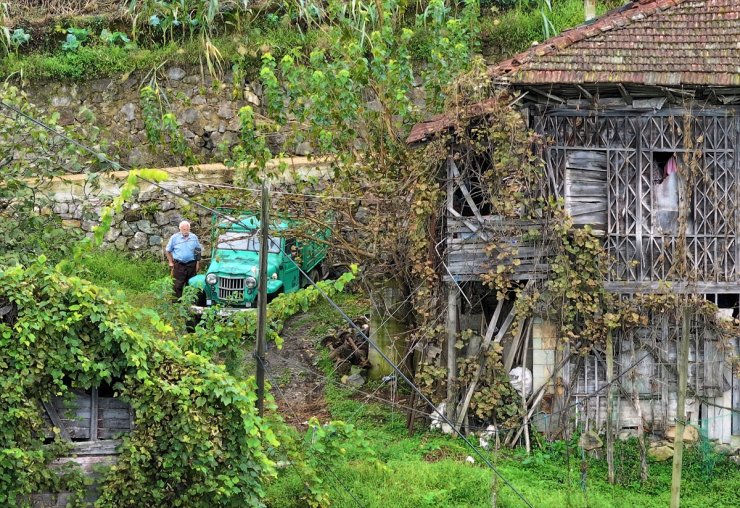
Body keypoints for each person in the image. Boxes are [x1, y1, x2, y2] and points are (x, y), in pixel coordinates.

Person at [165, 220, 202, 299]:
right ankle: (176, 304)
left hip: (192, 264)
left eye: (187, 229)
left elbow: (198, 251)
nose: (186, 231)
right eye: (183, 229)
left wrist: (197, 264)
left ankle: (191, 303)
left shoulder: (193, 237)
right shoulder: (174, 238)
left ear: (189, 229)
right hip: (179, 265)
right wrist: (170, 262)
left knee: (191, 284)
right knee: (177, 285)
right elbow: (168, 250)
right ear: (180, 229)